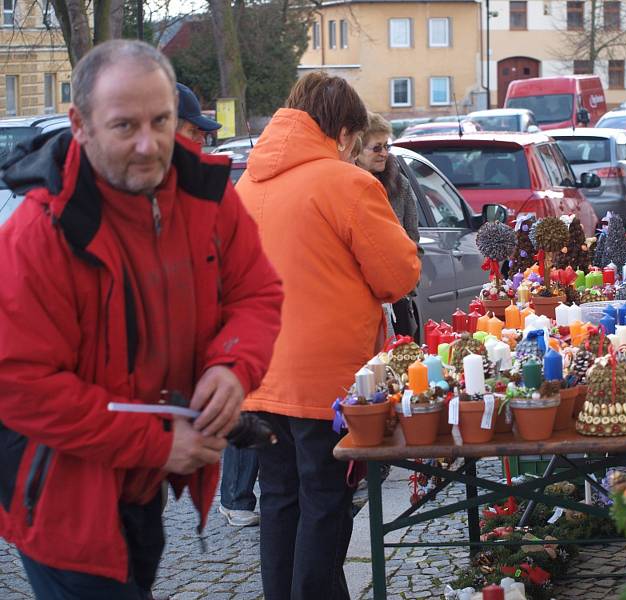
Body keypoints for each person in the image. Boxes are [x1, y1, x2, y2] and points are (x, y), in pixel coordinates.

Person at [0, 40, 283, 599]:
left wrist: (232, 367)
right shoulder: (37, 234)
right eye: (125, 126)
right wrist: (155, 445)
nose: (150, 144)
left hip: (142, 488)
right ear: (80, 123)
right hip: (63, 497)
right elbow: (20, 386)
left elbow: (257, 291)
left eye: (162, 120)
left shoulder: (205, 197)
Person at [236, 72, 420, 599]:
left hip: (259, 374)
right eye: (357, 141)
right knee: (324, 501)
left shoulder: (246, 184)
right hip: (326, 384)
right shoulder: (347, 183)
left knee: (279, 500)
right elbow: (397, 276)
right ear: (342, 133)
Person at [355, 112, 421, 340]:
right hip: (361, 305)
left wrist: (408, 284)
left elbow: (413, 239)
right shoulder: (346, 188)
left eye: (386, 146)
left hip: (398, 299)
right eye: (376, 148)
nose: (384, 153)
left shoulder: (399, 185)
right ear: (357, 150)